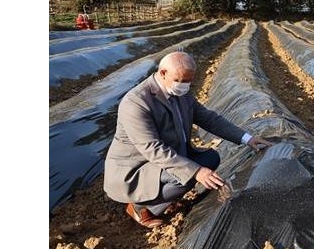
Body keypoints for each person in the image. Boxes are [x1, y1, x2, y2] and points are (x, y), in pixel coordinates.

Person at [104, 51, 271, 228]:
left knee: (210, 158)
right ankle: (139, 206)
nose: (184, 86)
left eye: (188, 81)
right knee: (186, 176)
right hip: (138, 168)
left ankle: (164, 198)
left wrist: (247, 138)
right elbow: (152, 149)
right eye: (180, 80)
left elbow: (209, 119)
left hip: (167, 158)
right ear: (163, 73)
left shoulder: (181, 94)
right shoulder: (136, 102)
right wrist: (196, 171)